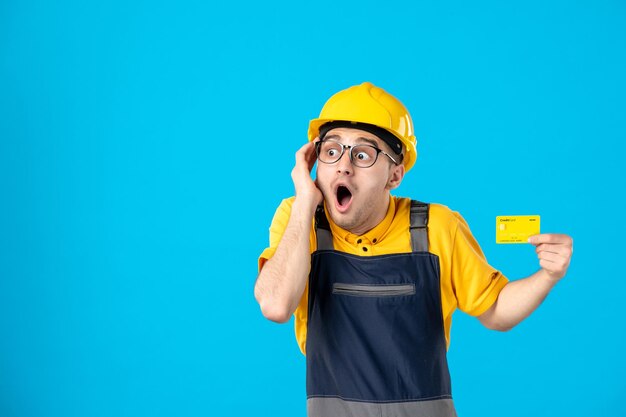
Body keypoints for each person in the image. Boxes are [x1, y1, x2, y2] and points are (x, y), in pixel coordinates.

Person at [254, 82, 573, 417]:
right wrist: (305, 201)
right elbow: (275, 305)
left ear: (395, 175)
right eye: (331, 151)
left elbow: (496, 311)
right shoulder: (298, 220)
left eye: (363, 154)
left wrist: (548, 276)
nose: (343, 166)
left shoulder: (436, 226)